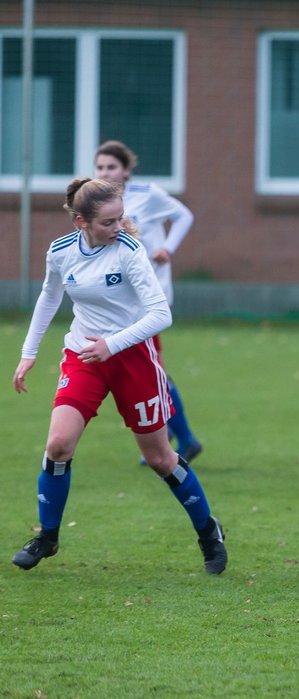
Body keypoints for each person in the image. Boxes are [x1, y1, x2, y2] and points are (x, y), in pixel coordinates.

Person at [11, 178, 227, 574]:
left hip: (132, 361)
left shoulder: (129, 251)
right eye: (108, 222)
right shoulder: (61, 252)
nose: (119, 227)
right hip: (83, 356)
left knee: (160, 458)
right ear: (81, 222)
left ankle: (208, 531)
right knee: (58, 445)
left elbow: (161, 315)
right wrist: (29, 353)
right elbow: (49, 297)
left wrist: (112, 344)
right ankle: (47, 537)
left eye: (120, 218)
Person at [94, 140, 203, 461]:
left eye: (111, 166)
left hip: (150, 298)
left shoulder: (146, 194)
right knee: (145, 366)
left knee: (151, 367)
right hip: (122, 299)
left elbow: (184, 216)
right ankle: (167, 435)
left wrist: (167, 247)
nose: (104, 172)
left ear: (126, 169)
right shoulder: (99, 201)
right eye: (100, 167)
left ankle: (182, 438)